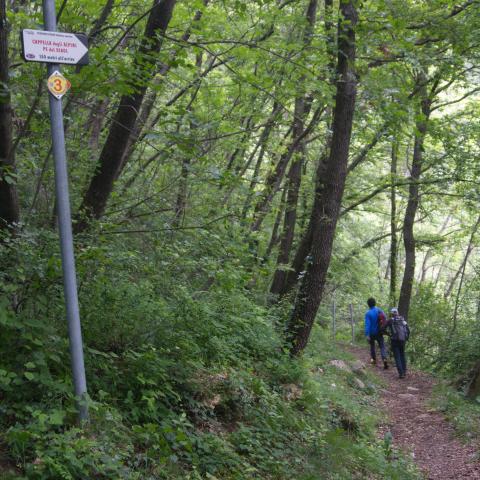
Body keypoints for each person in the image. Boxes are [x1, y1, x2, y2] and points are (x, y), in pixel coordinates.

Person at [364, 297, 388, 369]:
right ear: (375, 303)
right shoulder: (379, 310)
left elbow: (367, 325)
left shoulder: (368, 313)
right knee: (382, 346)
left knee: (372, 346)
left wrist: (367, 334)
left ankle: (373, 361)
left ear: (368, 304)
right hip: (379, 332)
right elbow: (385, 319)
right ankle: (384, 359)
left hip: (371, 333)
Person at [387, 307, 410, 379]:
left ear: (391, 314)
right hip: (402, 340)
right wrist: (406, 338)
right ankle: (404, 372)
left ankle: (401, 373)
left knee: (397, 357)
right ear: (397, 313)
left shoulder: (390, 320)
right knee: (402, 355)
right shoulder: (403, 320)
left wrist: (389, 334)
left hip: (394, 340)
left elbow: (382, 328)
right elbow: (408, 330)